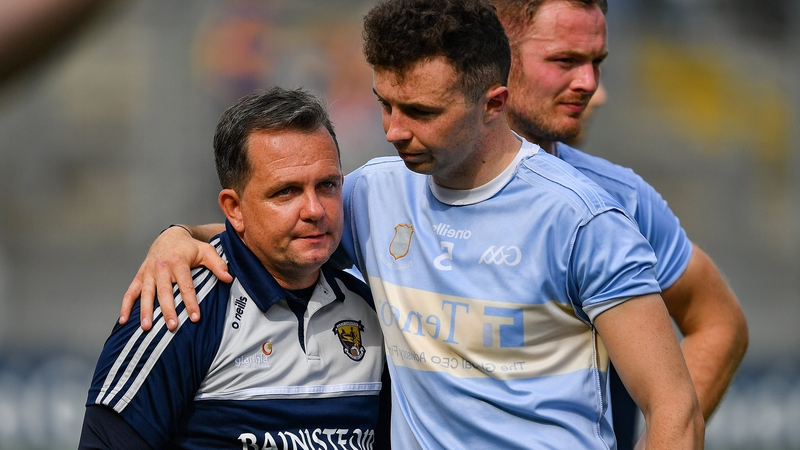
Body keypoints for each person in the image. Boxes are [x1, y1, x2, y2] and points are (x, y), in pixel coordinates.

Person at [120, 0, 704, 448]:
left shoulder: (583, 218)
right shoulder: (376, 192)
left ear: (493, 105)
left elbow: (673, 404)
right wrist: (177, 237)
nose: (396, 129)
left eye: (422, 112)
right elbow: (273, 225)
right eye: (385, 104)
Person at [491, 0, 748, 447]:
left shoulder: (618, 198)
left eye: (597, 62)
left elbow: (718, 322)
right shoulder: (389, 193)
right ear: (491, 55)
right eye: (565, 60)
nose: (591, 85)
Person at [79, 87, 389, 449]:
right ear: (234, 209)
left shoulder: (373, 308)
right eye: (286, 191)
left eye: (327, 185)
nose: (315, 210)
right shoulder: (179, 310)